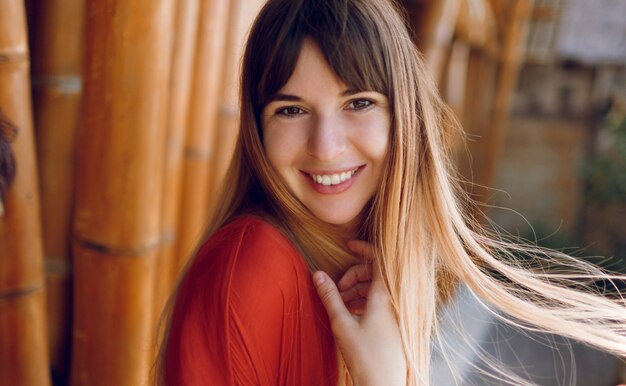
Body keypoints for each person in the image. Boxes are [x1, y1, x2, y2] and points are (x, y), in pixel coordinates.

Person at [156, 0, 626, 385]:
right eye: (291, 110)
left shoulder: (371, 275)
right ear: (258, 130)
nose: (326, 147)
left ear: (405, 116)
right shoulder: (249, 271)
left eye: (358, 103)